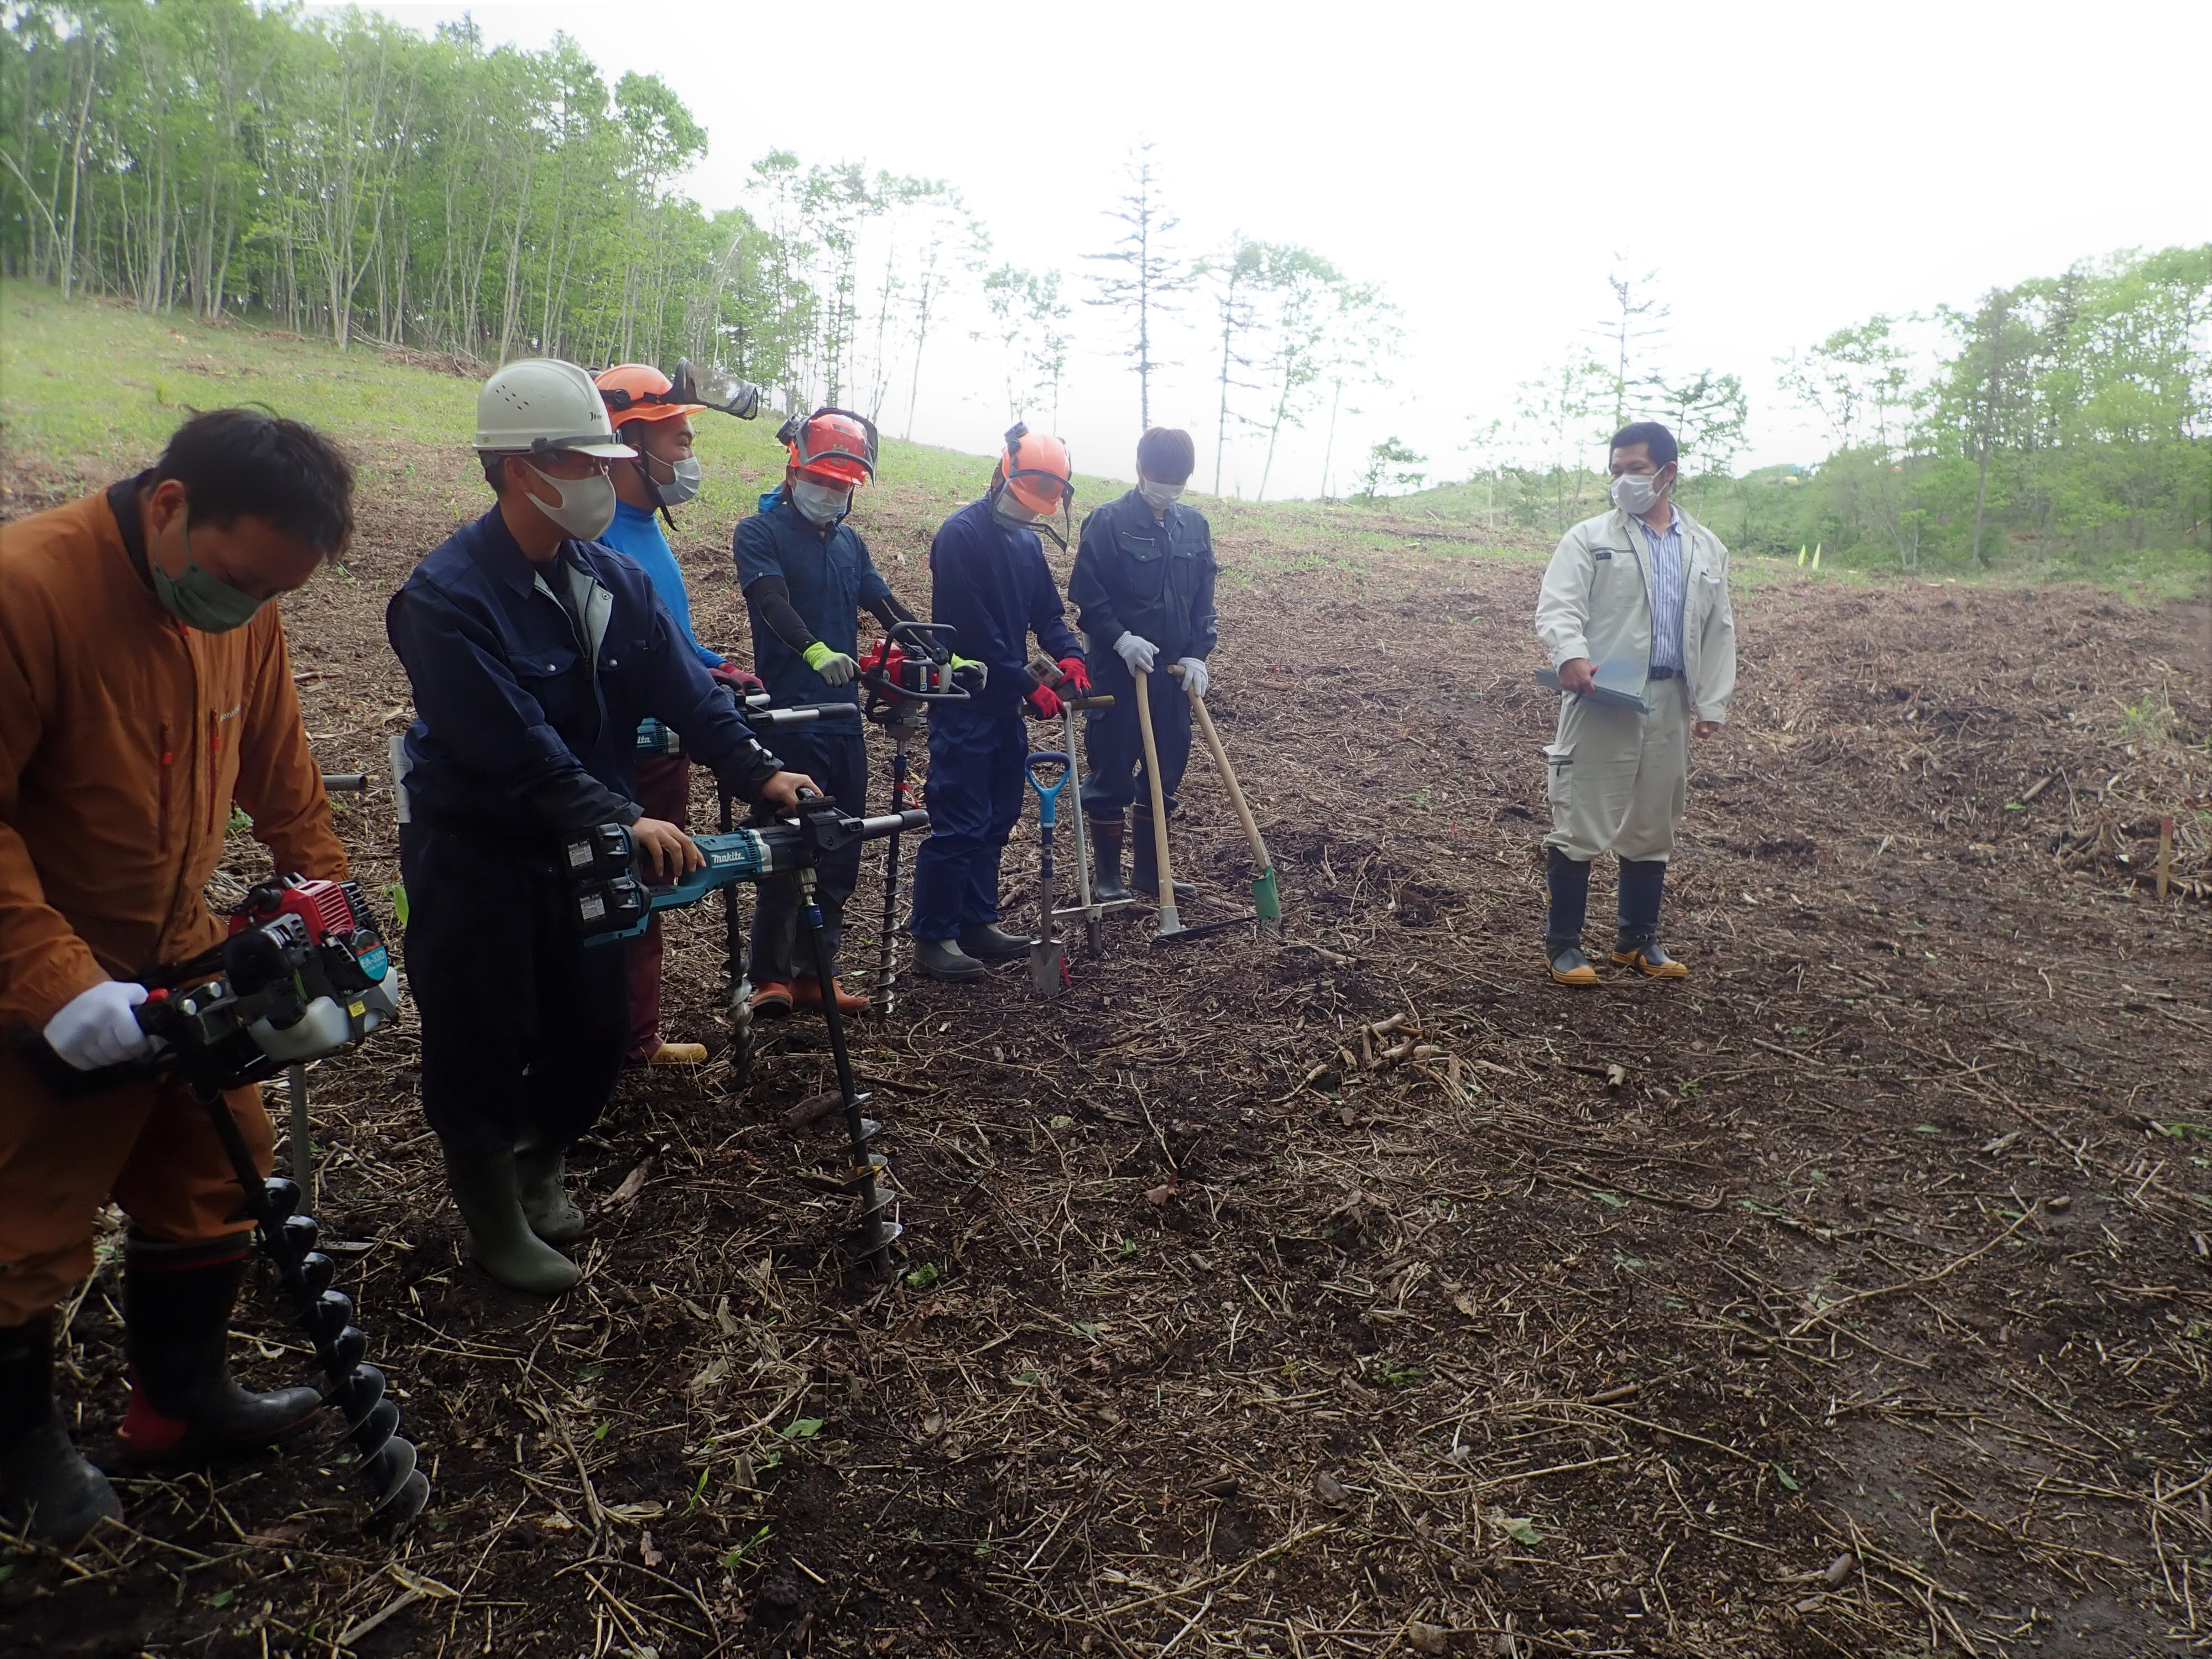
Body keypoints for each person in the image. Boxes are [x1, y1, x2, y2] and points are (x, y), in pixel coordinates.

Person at [0, 410, 357, 1542]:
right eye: (238, 579)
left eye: (272, 595)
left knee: (220, 1159)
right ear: (169, 506)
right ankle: (16, 1452)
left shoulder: (240, 608)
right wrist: (60, 985)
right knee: (22, 1215)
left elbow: (282, 767)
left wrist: (333, 911)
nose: (245, 610)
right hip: (40, 965)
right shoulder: (28, 593)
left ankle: (178, 1404)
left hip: (175, 946)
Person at [387, 359, 816, 1297]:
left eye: (600, 459)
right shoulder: (446, 599)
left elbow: (689, 694)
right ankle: (493, 1219)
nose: (599, 477)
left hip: (584, 840)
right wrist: (626, 816)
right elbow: (514, 746)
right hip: (480, 850)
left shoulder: (612, 577)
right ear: (517, 468)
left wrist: (759, 773)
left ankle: (544, 1162)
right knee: (482, 1032)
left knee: (592, 1026)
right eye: (580, 461)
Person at [594, 363, 764, 1070]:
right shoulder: (601, 536)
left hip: (666, 744)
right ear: (631, 444)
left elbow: (666, 639)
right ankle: (619, 1041)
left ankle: (636, 1033)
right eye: (682, 441)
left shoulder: (643, 527)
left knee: (647, 886)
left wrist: (711, 663)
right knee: (620, 885)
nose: (689, 457)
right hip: (626, 752)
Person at [1532, 420, 1735, 985]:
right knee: (1582, 816)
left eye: (1636, 470)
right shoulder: (1589, 538)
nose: (1623, 481)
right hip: (1602, 695)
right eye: (1616, 471)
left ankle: (1637, 940)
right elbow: (1558, 606)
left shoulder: (1704, 548)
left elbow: (1719, 629)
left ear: (1668, 473)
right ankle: (1563, 945)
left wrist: (1712, 703)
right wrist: (1568, 654)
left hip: (1670, 697)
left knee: (1654, 820)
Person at [734, 408, 922, 1017]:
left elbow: (886, 605)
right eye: (824, 482)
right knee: (791, 846)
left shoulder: (850, 544)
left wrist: (940, 655)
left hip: (843, 720)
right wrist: (813, 649)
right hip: (791, 718)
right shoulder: (759, 534)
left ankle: (818, 973)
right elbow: (770, 602)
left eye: (844, 487)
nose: (832, 494)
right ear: (795, 473)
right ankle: (767, 975)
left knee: (841, 849)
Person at [907, 424, 1090, 982]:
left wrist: (1069, 654)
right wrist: (1023, 682)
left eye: (1043, 506)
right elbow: (972, 629)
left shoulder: (1026, 541)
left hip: (1004, 705)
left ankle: (976, 921)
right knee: (959, 820)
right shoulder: (961, 536)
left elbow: (1046, 613)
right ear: (1004, 477)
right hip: (965, 703)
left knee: (998, 815)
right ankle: (934, 936)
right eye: (1027, 499)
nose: (1031, 512)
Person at [1067, 426, 1218, 906]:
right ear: (1139, 470)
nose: (1168, 490)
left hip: (1171, 679)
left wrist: (1198, 652)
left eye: (1178, 482)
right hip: (1119, 674)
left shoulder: (1194, 527)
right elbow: (1088, 598)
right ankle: (1109, 878)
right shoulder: (1108, 522)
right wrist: (1120, 638)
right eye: (1161, 479)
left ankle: (1153, 875)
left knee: (1165, 771)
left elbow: (1203, 601)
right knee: (1111, 769)